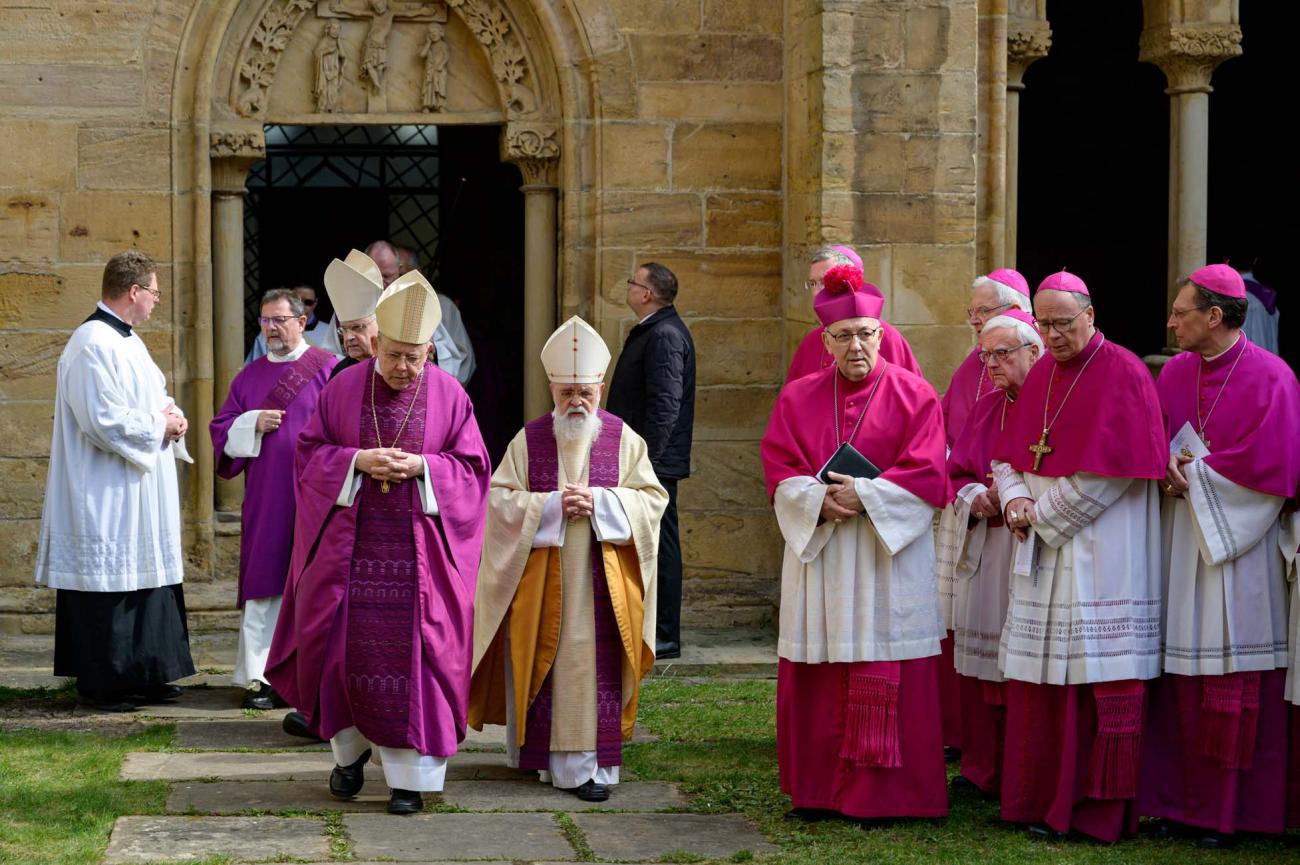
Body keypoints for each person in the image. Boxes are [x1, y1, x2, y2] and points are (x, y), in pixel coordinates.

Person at [265, 270, 490, 815]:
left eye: (413, 358)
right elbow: (309, 454)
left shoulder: (450, 394)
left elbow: (473, 469)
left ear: (430, 351)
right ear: (376, 342)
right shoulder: (343, 387)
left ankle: (408, 780)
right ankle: (349, 755)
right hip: (352, 553)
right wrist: (357, 461)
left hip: (420, 558)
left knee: (421, 659)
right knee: (340, 651)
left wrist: (424, 468)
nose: (402, 368)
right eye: (393, 356)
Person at [761, 264, 950, 822]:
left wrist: (865, 495)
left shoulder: (915, 394)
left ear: (881, 335)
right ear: (826, 342)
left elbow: (928, 472)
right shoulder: (797, 397)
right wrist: (817, 500)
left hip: (883, 554)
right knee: (818, 669)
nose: (855, 346)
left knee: (886, 660)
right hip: (824, 550)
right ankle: (817, 791)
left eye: (865, 334)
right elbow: (779, 467)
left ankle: (889, 796)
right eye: (843, 336)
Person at [990, 271, 1166, 842]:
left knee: (1095, 675)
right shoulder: (1042, 372)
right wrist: (1014, 500)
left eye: (1063, 323)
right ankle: (1037, 800)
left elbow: (1113, 473)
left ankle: (1094, 812)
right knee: (1042, 680)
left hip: (1102, 550)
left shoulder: (1125, 372)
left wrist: (1039, 516)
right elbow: (1007, 455)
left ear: (1090, 315)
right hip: (1041, 547)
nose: (1052, 335)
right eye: (1043, 324)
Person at [468, 316, 668, 802]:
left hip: (605, 581)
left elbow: (653, 499)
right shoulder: (529, 440)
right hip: (542, 582)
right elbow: (499, 501)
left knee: (592, 665)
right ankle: (541, 757)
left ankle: (589, 768)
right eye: (566, 393)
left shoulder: (625, 440)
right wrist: (552, 506)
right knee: (546, 658)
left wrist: (603, 502)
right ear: (551, 390)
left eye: (585, 392)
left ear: (601, 389)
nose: (577, 402)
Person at [1138, 264, 1300, 846]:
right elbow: (1151, 438)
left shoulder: (1274, 377)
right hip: (1182, 539)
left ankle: (1235, 813)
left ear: (1214, 316)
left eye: (1180, 312)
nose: (1171, 322)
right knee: (1179, 672)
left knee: (1237, 675)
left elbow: (1276, 468)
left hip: (1242, 548)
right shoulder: (1175, 373)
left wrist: (1199, 479)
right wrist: (1163, 465)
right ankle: (1176, 803)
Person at [35, 250, 195, 712]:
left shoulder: (127, 341)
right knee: (111, 583)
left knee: (146, 578)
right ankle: (105, 682)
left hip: (138, 487)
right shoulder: (91, 343)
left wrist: (173, 416)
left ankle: (146, 672)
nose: (157, 301)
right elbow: (101, 419)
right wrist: (159, 425)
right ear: (134, 291)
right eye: (155, 293)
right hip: (105, 489)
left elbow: (154, 395)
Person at [211, 289, 338, 709]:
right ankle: (261, 677)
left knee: (312, 582)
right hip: (268, 496)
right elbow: (221, 428)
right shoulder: (248, 378)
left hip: (317, 494)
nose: (271, 328)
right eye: (265, 321)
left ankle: (310, 675)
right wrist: (251, 422)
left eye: (280, 320)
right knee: (266, 582)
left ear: (302, 323)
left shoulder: (329, 369)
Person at [936, 309, 1042, 796]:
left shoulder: (1053, 404)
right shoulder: (987, 407)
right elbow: (956, 470)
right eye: (986, 356)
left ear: (1033, 352)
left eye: (1002, 354)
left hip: (1033, 543)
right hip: (987, 540)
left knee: (1023, 663)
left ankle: (1021, 769)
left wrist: (1017, 495)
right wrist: (975, 496)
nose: (992, 365)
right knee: (982, 660)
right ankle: (982, 767)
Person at [606, 263, 695, 660]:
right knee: (651, 541)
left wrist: (646, 462)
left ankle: (665, 635)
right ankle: (649, 627)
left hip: (652, 462)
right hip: (645, 458)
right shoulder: (655, 330)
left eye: (633, 283)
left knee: (662, 543)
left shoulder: (665, 335)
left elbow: (665, 405)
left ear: (646, 294)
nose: (628, 287)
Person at [784, 245, 923, 382]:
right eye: (813, 283)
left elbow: (911, 390)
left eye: (824, 282)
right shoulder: (810, 342)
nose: (816, 293)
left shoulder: (889, 338)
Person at [941, 269, 1032, 446]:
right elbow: (943, 423)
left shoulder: (1038, 361)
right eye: (972, 312)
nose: (974, 320)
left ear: (1014, 310)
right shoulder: (974, 359)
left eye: (983, 311)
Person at [324, 249, 384, 381]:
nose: (349, 337)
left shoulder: (395, 370)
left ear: (379, 324)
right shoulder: (340, 373)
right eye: (344, 330)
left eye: (357, 327)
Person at [244, 285, 341, 363]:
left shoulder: (329, 332)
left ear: (315, 303)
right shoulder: (268, 333)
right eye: (297, 300)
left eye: (308, 302)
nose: (302, 306)